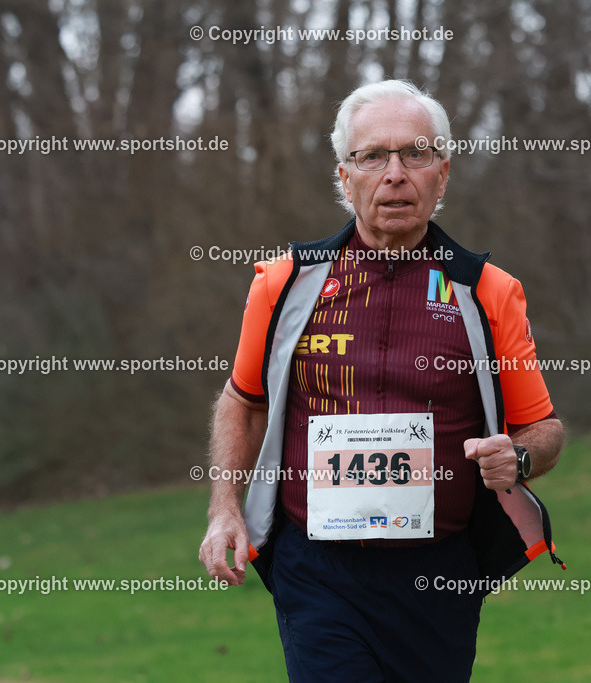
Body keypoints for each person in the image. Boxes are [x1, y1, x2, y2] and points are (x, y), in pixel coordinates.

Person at [199, 79, 564, 682]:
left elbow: (542, 428)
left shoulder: (488, 292)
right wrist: (223, 509)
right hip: (316, 569)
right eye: (373, 156)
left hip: (439, 572)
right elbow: (243, 403)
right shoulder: (285, 284)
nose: (395, 174)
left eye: (415, 154)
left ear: (441, 175)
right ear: (345, 177)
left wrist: (517, 459)